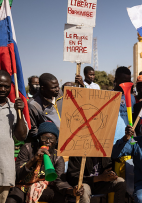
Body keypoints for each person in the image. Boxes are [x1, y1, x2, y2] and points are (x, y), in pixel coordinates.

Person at [6, 122, 83, 203]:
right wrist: (33, 159)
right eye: (44, 138)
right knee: (11, 200)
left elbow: (59, 181)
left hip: (42, 187)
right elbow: (17, 175)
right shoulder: (27, 148)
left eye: (52, 139)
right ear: (39, 138)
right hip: (22, 186)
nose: (48, 142)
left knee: (60, 198)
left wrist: (71, 190)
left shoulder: (57, 157)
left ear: (56, 141)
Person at [0, 70, 28, 202]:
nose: (3, 89)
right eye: (0, 85)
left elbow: (21, 136)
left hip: (4, 172)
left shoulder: (14, 109)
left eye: (6, 86)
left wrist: (19, 113)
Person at [28, 73, 62, 139]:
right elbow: (34, 130)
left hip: (67, 139)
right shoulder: (33, 104)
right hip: (52, 143)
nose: (57, 89)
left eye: (58, 86)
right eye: (53, 87)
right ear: (43, 88)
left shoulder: (60, 94)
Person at [113, 66, 136, 144]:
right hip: (112, 141)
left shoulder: (132, 98)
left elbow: (132, 118)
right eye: (123, 81)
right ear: (116, 79)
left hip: (128, 140)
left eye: (128, 81)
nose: (126, 84)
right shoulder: (107, 96)